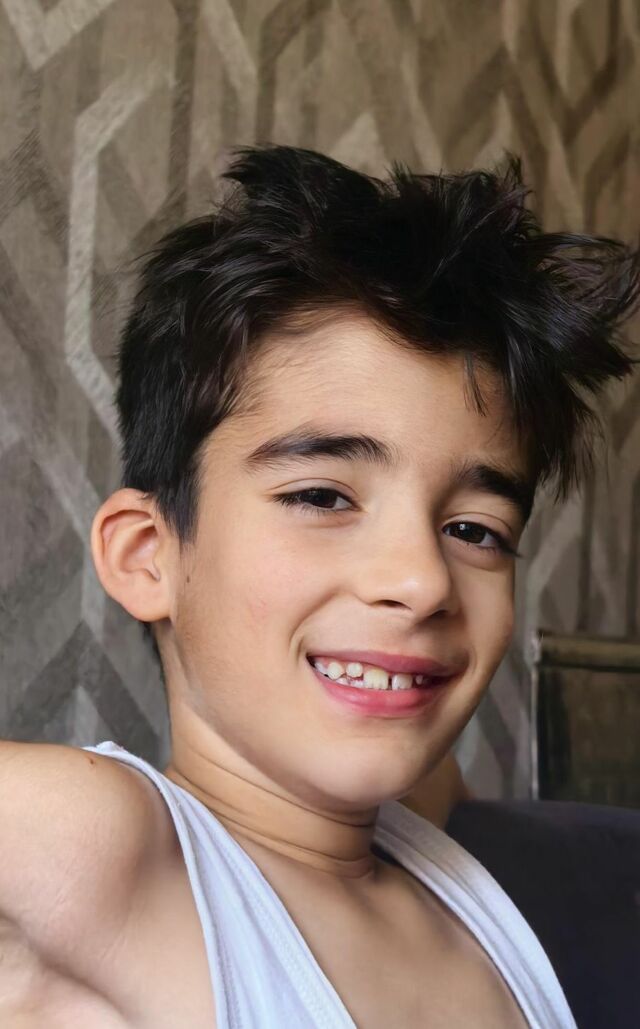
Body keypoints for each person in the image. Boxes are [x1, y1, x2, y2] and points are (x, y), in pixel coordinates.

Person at [1, 145, 638, 1027]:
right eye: (322, 496)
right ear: (149, 555)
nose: (422, 582)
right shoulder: (99, 848)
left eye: (474, 530)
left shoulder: (437, 853)